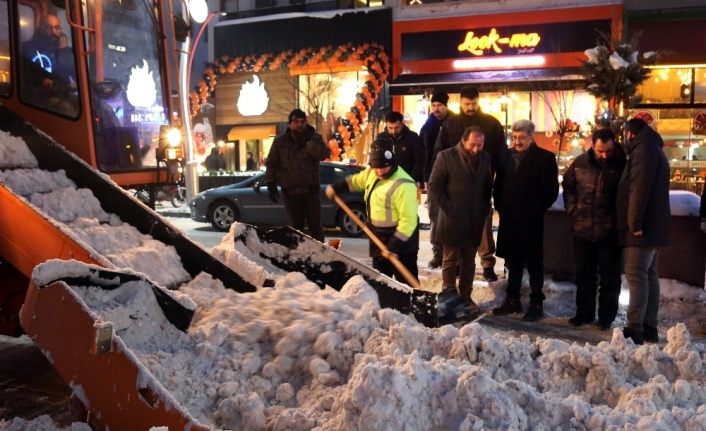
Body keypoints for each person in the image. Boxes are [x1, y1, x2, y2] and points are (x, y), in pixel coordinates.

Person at [434, 86, 506, 282]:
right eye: (467, 104)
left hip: (482, 185)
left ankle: (487, 264)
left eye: (473, 104)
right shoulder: (451, 123)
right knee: (456, 229)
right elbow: (440, 152)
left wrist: (498, 183)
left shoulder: (491, 124)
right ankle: (455, 266)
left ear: (478, 101)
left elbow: (501, 156)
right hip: (454, 187)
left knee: (483, 228)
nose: (470, 107)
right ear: (460, 103)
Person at [326, 137, 419, 285]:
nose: (379, 172)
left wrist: (394, 246)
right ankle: (385, 305)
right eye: (375, 167)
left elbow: (409, 221)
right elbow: (357, 181)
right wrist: (338, 187)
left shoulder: (404, 184)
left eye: (382, 167)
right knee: (381, 281)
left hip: (401, 241)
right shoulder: (372, 172)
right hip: (377, 236)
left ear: (392, 162)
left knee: (405, 285)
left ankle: (413, 305)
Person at [492, 120, 559, 321]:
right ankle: (512, 298)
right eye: (514, 137)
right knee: (513, 260)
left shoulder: (545, 158)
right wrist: (500, 207)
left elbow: (550, 191)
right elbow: (498, 186)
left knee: (534, 261)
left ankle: (536, 301)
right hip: (509, 218)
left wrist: (535, 210)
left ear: (532, 137)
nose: (517, 141)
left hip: (531, 220)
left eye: (522, 137)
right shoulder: (505, 157)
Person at [562, 128, 626, 330]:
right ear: (593, 146)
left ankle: (606, 318)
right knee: (584, 275)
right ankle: (584, 313)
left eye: (607, 150)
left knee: (609, 278)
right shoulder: (580, 163)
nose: (604, 155)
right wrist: (572, 208)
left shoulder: (622, 165)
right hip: (583, 229)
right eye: (600, 151)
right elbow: (568, 186)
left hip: (610, 232)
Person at [428, 126, 492, 317]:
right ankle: (449, 296)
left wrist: (484, 208)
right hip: (452, 219)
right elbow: (434, 186)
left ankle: (465, 296)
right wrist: (450, 210)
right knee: (450, 259)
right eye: (473, 145)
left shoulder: (485, 158)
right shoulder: (446, 157)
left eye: (480, 145)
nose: (476, 150)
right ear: (464, 141)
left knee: (469, 261)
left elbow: (486, 185)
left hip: (475, 219)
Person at [617, 118, 670, 345]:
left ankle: (635, 327)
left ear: (630, 133)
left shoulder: (644, 150)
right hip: (654, 225)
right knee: (649, 275)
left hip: (643, 227)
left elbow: (639, 187)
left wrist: (634, 223)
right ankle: (649, 326)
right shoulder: (653, 147)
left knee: (636, 274)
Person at [266, 108, 329, 242]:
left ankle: (320, 256)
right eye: (296, 122)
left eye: (302, 122)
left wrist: (308, 145)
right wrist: (271, 183)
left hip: (310, 192)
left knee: (315, 227)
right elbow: (271, 163)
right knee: (296, 229)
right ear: (290, 124)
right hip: (290, 193)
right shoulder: (280, 141)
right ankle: (297, 256)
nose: (299, 124)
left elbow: (324, 154)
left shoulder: (314, 138)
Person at [420, 91, 453, 268]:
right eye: (433, 105)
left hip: (451, 178)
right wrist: (423, 177)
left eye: (439, 105)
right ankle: (437, 254)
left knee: (450, 218)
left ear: (446, 105)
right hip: (432, 178)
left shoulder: (454, 122)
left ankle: (451, 256)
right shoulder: (428, 125)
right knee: (434, 217)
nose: (436, 109)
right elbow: (423, 153)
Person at [378, 111, 425, 186]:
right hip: (387, 182)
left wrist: (411, 179)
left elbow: (420, 161)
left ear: (402, 124)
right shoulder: (381, 138)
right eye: (390, 128)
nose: (394, 131)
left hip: (408, 180)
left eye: (397, 128)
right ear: (386, 125)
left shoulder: (413, 137)